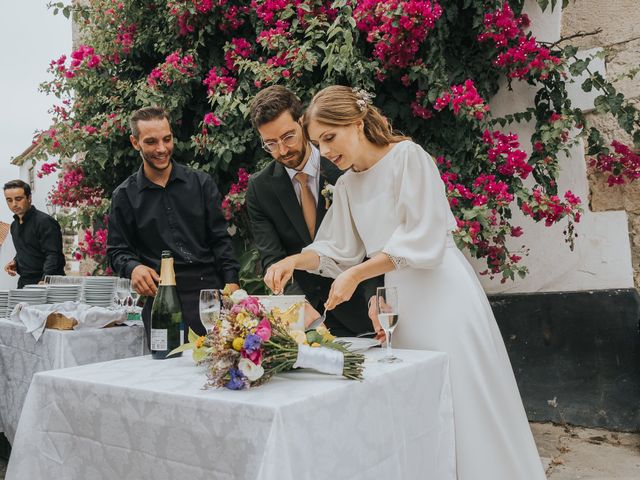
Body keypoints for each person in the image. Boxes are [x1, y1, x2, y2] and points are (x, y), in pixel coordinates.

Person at [264, 86, 546, 480]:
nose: (325, 151)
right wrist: (294, 259)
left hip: (442, 293)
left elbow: (422, 236)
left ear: (357, 123)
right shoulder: (346, 185)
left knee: (464, 395)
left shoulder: (407, 157)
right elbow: (338, 247)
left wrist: (359, 273)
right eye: (318, 142)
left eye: (330, 137)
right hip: (401, 304)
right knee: (421, 402)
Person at [247, 85, 383, 337]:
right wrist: (297, 305)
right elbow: (272, 258)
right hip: (306, 322)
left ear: (303, 122)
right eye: (271, 144)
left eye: (288, 136)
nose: (283, 150)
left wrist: (375, 299)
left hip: (364, 312)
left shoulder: (345, 166)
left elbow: (372, 243)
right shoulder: (259, 188)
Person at [107, 106, 240, 343]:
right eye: (151, 142)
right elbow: (117, 251)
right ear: (135, 142)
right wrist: (133, 268)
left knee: (216, 371)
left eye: (167, 139)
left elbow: (221, 240)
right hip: (161, 301)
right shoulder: (124, 196)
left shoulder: (201, 184)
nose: (161, 149)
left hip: (208, 298)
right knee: (166, 373)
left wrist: (232, 286)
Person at [3, 179, 65, 288]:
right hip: (24, 283)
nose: (14, 204)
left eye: (18, 199)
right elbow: (28, 250)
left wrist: (45, 280)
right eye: (9, 200)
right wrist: (16, 261)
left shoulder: (45, 222)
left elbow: (53, 255)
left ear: (29, 198)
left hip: (47, 283)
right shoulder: (14, 226)